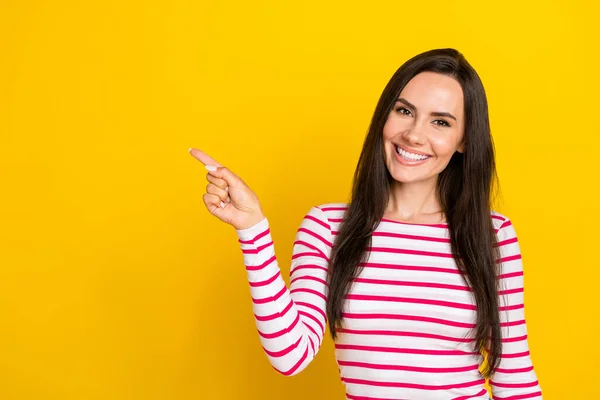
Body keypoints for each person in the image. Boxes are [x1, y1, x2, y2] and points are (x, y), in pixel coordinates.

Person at [190, 48, 542, 399]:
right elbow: (290, 354)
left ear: (464, 140)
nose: (414, 135)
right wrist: (252, 229)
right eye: (404, 111)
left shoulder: (492, 234)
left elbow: (513, 376)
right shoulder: (328, 226)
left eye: (440, 122)